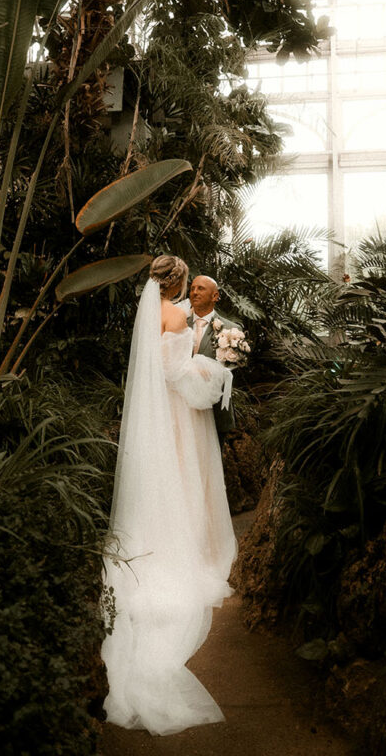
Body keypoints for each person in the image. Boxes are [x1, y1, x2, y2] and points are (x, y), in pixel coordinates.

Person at [101, 255, 237, 735]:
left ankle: (155, 541)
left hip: (152, 420)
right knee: (182, 478)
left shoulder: (146, 312)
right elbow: (177, 374)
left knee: (158, 481)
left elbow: (152, 369)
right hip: (178, 413)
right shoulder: (177, 314)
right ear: (180, 281)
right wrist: (213, 373)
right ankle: (187, 549)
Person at [187, 275, 243, 444]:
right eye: (192, 288)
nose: (194, 292)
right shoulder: (178, 323)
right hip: (181, 409)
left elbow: (233, 370)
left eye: (201, 288)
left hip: (213, 410)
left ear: (215, 296)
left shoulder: (231, 329)